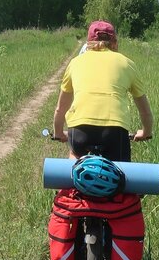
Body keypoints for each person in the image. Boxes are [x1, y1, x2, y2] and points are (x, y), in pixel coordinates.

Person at [52, 20, 153, 162]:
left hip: (80, 131)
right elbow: (145, 111)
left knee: (75, 157)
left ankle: (72, 181)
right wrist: (146, 132)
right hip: (115, 132)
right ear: (115, 42)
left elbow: (60, 109)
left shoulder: (75, 62)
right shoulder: (127, 63)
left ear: (88, 43)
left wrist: (58, 133)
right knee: (120, 173)